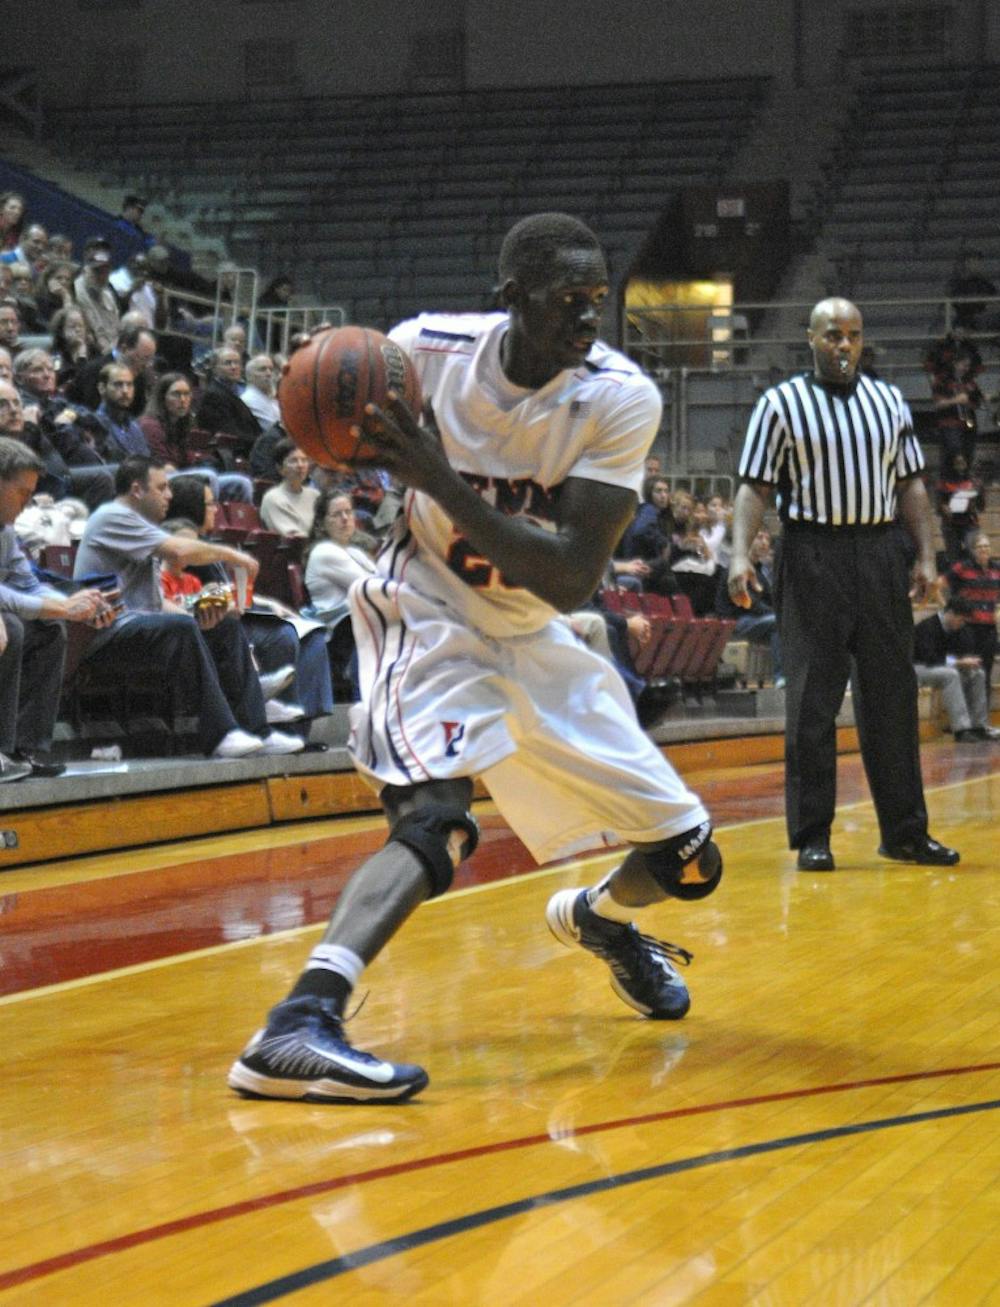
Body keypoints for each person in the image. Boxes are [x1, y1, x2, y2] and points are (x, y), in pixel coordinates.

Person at [228, 213, 721, 1105]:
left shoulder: (620, 397)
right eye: (567, 299)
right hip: (427, 610)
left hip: (535, 628)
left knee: (688, 855)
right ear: (512, 299)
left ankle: (600, 919)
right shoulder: (423, 352)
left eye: (597, 298)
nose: (589, 316)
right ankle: (297, 1022)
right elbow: (329, 419)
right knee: (437, 822)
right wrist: (326, 417)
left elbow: (569, 578)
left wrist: (438, 479)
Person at [728, 296, 959, 872]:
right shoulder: (780, 404)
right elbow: (754, 487)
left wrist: (926, 556)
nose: (844, 345)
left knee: (893, 696)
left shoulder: (888, 401)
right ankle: (813, 834)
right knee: (812, 699)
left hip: (880, 553)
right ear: (811, 338)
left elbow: (910, 485)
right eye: (833, 334)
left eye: (853, 335)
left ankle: (905, 833)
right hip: (812, 553)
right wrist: (738, 555)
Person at [73, 456, 303, 759]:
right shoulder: (112, 516)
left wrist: (197, 618)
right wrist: (234, 556)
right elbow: (180, 550)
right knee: (180, 628)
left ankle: (257, 730)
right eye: (162, 488)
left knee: (225, 625)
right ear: (137, 490)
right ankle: (221, 734)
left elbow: (156, 603)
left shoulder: (142, 528)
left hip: (139, 628)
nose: (169, 495)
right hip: (102, 635)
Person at [0, 437, 117, 778]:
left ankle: (24, 749)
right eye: (22, 492)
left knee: (49, 628)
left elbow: (26, 582)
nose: (27, 503)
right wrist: (63, 609)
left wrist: (73, 604)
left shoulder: (5, 531)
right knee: (16, 626)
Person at [913, 596, 999, 743]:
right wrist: (959, 662)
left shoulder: (957, 629)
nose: (962, 623)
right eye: (961, 619)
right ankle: (961, 730)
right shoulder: (927, 627)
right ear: (951, 613)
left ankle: (979, 727)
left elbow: (963, 651)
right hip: (919, 668)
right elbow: (930, 658)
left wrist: (966, 661)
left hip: (940, 667)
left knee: (977, 673)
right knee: (951, 675)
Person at [716, 527, 783, 686]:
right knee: (778, 621)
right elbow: (750, 604)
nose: (765, 543)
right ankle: (780, 677)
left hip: (755, 620)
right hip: (736, 622)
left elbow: (771, 600)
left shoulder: (759, 572)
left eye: (767, 539)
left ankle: (791, 676)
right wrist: (779, 614)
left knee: (786, 624)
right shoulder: (736, 570)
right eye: (759, 537)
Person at [944, 532, 1000, 689]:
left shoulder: (997, 569)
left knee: (986, 671)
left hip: (989, 628)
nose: (984, 549)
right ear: (973, 550)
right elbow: (941, 582)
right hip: (968, 627)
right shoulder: (963, 567)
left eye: (986, 546)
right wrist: (949, 608)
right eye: (980, 546)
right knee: (968, 671)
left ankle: (983, 706)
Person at [259, 439, 318, 537]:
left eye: (304, 460)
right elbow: (293, 537)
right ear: (280, 468)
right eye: (293, 461)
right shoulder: (273, 498)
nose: (300, 465)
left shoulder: (315, 495)